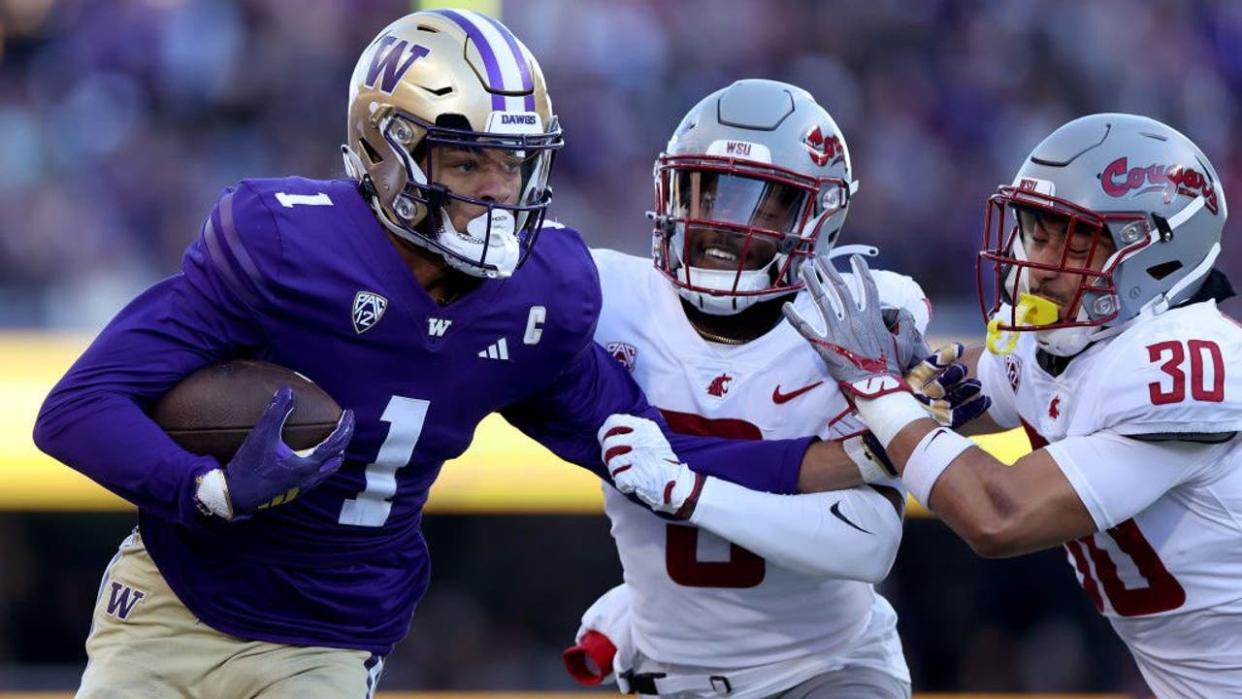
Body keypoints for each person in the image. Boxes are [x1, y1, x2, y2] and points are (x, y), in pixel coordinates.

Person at [32, 11, 860, 698]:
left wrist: (859, 453)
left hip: (327, 634)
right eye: (467, 161)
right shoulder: (284, 244)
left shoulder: (541, 295)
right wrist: (204, 489)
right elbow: (77, 407)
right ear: (386, 153)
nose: (498, 191)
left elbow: (655, 446)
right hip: (176, 596)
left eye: (514, 163)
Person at [782, 113, 1242, 697]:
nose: (1042, 264)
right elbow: (962, 391)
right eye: (1038, 231)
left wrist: (879, 388)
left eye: (1075, 241)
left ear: (1156, 255)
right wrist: (903, 359)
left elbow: (999, 515)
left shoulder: (1185, 362)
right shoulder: (1065, 341)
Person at [565, 80, 986, 699]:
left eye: (761, 205)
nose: (721, 223)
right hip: (664, 676)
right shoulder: (608, 295)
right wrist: (636, 601)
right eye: (708, 189)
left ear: (820, 219)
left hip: (827, 669)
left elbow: (868, 543)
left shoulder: (854, 319)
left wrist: (688, 492)